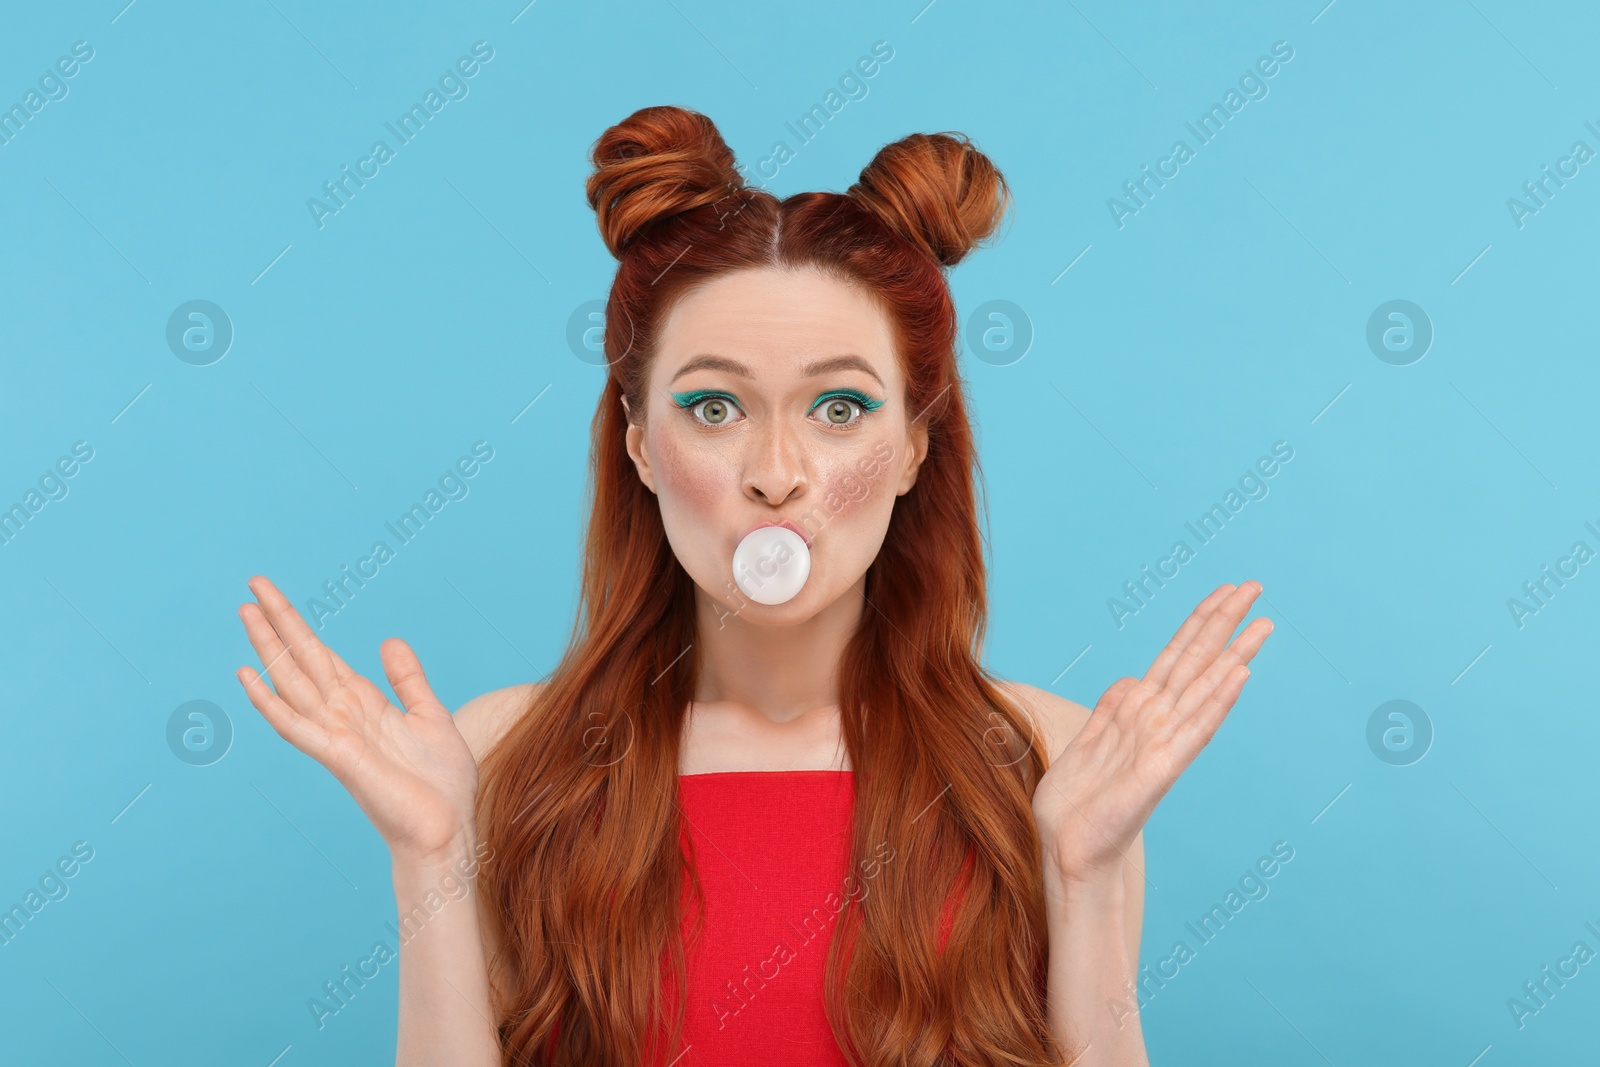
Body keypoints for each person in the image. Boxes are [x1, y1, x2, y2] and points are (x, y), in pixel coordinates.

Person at [234, 104, 1272, 1067]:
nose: (777, 471)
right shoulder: (500, 756)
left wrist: (1084, 884)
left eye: (839, 408)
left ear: (915, 444)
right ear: (640, 443)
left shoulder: (1050, 757)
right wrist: (432, 859)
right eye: (716, 407)